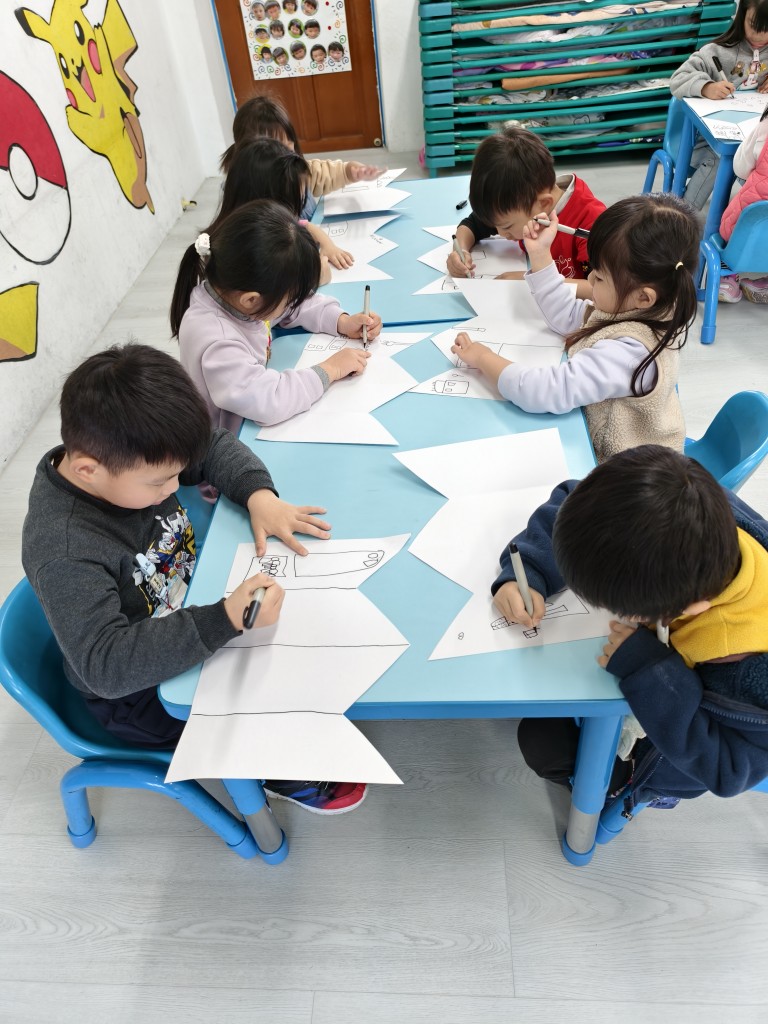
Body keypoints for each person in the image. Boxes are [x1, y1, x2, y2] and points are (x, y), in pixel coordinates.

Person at [21, 343, 367, 813]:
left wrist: (259, 495)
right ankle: (271, 768)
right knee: (268, 705)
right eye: (160, 483)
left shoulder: (127, 455)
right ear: (87, 470)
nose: (175, 485)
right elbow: (106, 666)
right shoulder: (65, 548)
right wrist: (225, 619)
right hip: (140, 696)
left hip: (186, 605)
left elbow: (213, 447)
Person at [491, 444, 768, 815]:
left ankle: (629, 790)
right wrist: (529, 569)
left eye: (620, 607)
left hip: (666, 753)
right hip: (633, 677)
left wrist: (650, 669)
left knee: (542, 742)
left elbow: (729, 770)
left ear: (692, 608)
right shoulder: (690, 508)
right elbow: (578, 501)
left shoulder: (746, 669)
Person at [451, 194, 700, 464]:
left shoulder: (629, 353)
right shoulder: (642, 309)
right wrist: (540, 254)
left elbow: (546, 391)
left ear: (644, 297)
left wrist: (483, 358)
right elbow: (569, 315)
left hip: (629, 475)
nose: (589, 279)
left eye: (600, 277)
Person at [170, 199, 381, 432]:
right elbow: (269, 400)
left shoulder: (236, 294)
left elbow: (294, 306)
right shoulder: (219, 341)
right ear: (251, 299)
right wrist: (330, 370)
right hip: (228, 441)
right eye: (288, 297)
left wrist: (342, 321)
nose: (292, 303)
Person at [445, 125, 605, 293]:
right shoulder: (521, 201)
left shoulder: (590, 224)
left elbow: (602, 289)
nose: (501, 233)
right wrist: (461, 251)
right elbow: (471, 225)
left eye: (507, 227)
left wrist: (532, 280)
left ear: (544, 204)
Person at [670, 0, 768, 209]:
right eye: (754, 25)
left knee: (760, 167)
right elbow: (678, 79)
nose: (760, 35)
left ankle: (751, 221)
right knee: (721, 159)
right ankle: (681, 215)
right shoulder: (717, 51)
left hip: (752, 137)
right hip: (705, 139)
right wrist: (706, 87)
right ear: (741, 16)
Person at [219, 95, 384, 218]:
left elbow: (324, 174)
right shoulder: (246, 195)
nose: (286, 153)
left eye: (289, 144)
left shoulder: (297, 170)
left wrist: (351, 171)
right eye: (276, 147)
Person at [220, 137, 353, 273]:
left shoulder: (273, 218)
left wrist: (327, 245)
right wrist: (317, 278)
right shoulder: (252, 244)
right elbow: (277, 284)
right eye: (295, 200)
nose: (301, 203)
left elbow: (305, 225)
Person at [718, 103, 768, 302]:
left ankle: (727, 279)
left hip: (747, 231)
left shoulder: (765, 128)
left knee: (730, 229)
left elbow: (740, 168)